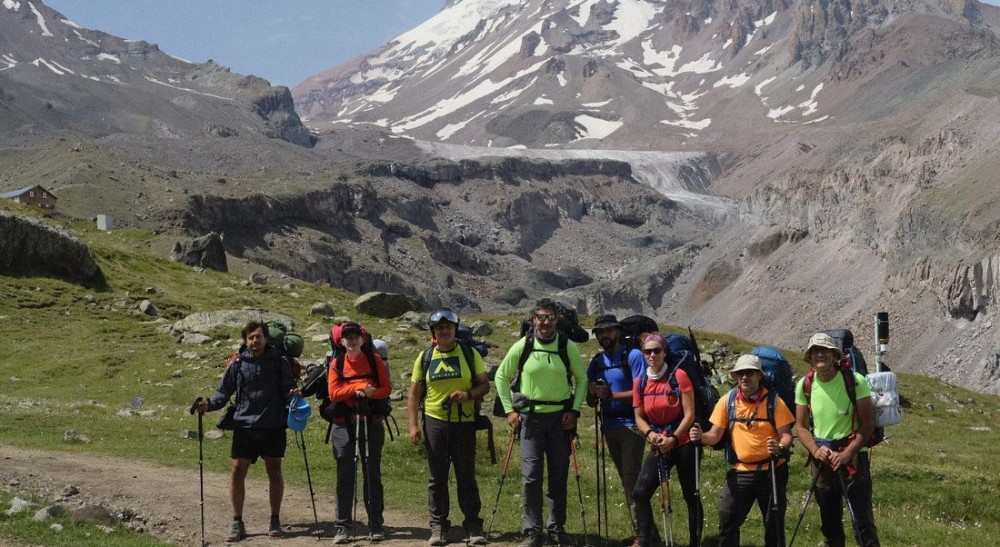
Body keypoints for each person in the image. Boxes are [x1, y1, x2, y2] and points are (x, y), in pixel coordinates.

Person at [493, 298, 587, 547]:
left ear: (557, 320)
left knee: (558, 475)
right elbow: (501, 376)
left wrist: (575, 411)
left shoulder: (567, 346)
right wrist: (509, 411)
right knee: (531, 477)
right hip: (530, 420)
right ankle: (532, 532)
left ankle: (556, 529)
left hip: (560, 420)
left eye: (550, 317)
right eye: (540, 317)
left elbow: (582, 379)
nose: (545, 322)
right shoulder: (523, 345)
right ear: (533, 319)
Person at [196, 321, 300, 543]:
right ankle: (237, 521)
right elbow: (223, 392)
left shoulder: (279, 362)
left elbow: (288, 389)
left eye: (258, 337)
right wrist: (208, 405)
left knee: (274, 470)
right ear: (246, 340)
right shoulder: (238, 363)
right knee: (237, 472)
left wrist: (295, 396)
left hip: (273, 425)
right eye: (251, 337)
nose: (255, 341)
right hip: (244, 425)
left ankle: (275, 520)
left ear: (266, 339)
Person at [689, 354, 795, 547]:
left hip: (772, 469)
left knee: (774, 525)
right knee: (727, 517)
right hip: (741, 470)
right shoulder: (727, 401)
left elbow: (786, 435)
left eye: (749, 373)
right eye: (740, 373)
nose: (744, 377)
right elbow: (715, 435)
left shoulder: (774, 401)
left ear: (759, 376)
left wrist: (779, 447)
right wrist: (701, 437)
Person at [407, 307, 491, 546]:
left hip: (464, 422)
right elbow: (414, 394)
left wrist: (468, 395)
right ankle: (438, 526)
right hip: (435, 421)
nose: (444, 331)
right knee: (437, 477)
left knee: (466, 475)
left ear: (455, 329)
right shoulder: (425, 357)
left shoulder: (469, 354)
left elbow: (484, 385)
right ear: (433, 332)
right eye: (440, 328)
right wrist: (413, 425)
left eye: (448, 327)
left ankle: (473, 525)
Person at [795, 332, 881, 547]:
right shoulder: (804, 385)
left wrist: (847, 454)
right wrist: (816, 451)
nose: (820, 355)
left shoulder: (855, 381)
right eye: (815, 351)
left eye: (824, 350)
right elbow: (801, 427)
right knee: (829, 521)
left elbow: (867, 424)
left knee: (862, 520)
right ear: (810, 357)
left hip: (853, 458)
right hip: (822, 459)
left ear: (835, 355)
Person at [631, 334, 703, 547]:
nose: (652, 355)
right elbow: (639, 416)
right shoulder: (640, 381)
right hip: (659, 442)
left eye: (657, 351)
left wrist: (674, 438)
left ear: (664, 353)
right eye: (648, 352)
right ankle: (644, 540)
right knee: (640, 492)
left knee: (691, 494)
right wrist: (650, 434)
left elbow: (690, 414)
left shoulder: (679, 375)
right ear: (643, 354)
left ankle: (695, 543)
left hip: (685, 441)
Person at [327, 322, 392, 543]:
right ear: (342, 341)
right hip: (344, 425)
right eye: (348, 337)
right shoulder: (336, 363)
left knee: (372, 473)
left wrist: (371, 394)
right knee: (345, 474)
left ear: (363, 340)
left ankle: (376, 525)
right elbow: (333, 393)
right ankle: (343, 526)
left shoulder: (375, 361)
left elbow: (386, 389)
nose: (352, 340)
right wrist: (359, 388)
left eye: (356, 337)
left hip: (371, 422)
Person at [586, 313, 646, 532]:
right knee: (627, 480)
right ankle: (646, 534)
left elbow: (643, 391)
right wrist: (592, 392)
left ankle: (644, 535)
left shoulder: (634, 356)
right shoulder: (596, 362)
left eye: (609, 330)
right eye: (600, 332)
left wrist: (611, 395)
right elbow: (590, 401)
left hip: (632, 426)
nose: (605, 335)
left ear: (618, 332)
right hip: (609, 427)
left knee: (631, 480)